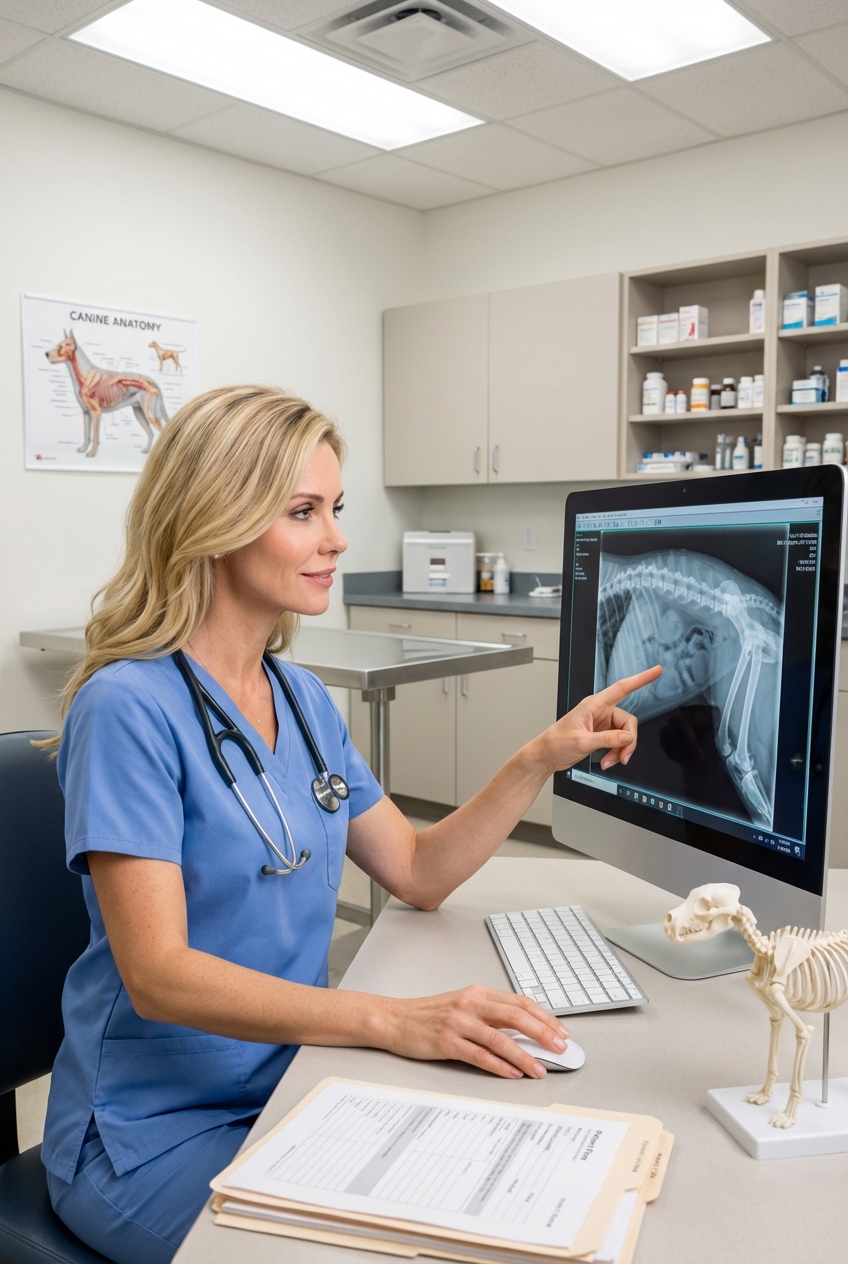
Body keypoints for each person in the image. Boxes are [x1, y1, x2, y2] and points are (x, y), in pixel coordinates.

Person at [40, 386, 660, 1264]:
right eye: (303, 512)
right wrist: (387, 1020)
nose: (336, 539)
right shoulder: (128, 708)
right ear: (215, 517)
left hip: (291, 1080)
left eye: (335, 509)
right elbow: (159, 976)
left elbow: (415, 869)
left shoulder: (299, 697)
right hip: (150, 1133)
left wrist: (536, 759)